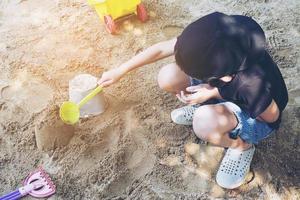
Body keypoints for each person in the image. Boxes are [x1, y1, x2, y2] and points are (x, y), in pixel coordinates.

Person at [98, 12, 288, 189]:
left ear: (224, 76)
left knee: (204, 122)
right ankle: (210, 107)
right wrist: (120, 70)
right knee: (168, 76)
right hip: (226, 88)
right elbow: (161, 50)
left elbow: (272, 117)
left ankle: (240, 146)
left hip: (256, 114)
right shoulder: (212, 38)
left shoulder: (251, 83)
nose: (190, 76)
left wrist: (214, 93)